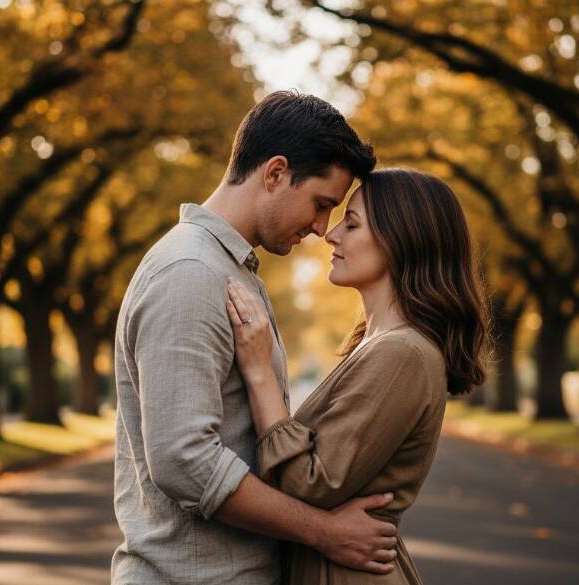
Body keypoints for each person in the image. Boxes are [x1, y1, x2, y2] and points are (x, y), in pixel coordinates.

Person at [111, 91, 400, 584]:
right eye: (321, 204)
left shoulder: (226, 268)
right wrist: (324, 531)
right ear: (275, 173)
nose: (320, 228)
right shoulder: (190, 273)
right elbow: (185, 461)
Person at [225, 168, 489, 584]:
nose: (330, 235)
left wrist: (259, 373)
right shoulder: (379, 344)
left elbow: (308, 483)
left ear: (400, 240)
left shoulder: (403, 353)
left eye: (352, 224)